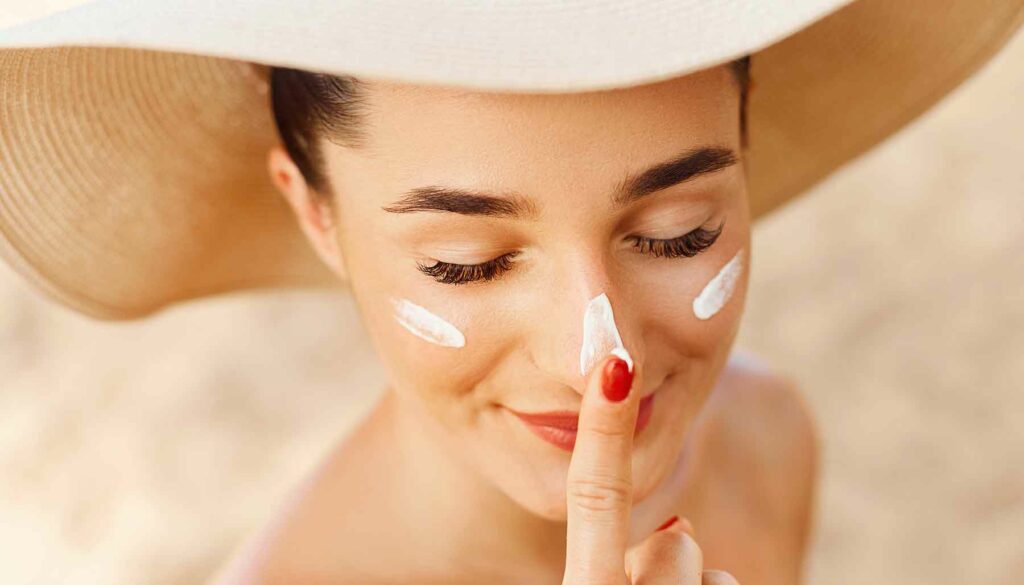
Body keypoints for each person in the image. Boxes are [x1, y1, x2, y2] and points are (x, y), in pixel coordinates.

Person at [1, 1, 1021, 583]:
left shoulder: (762, 444)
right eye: (466, 264)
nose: (595, 356)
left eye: (679, 233)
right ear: (315, 210)